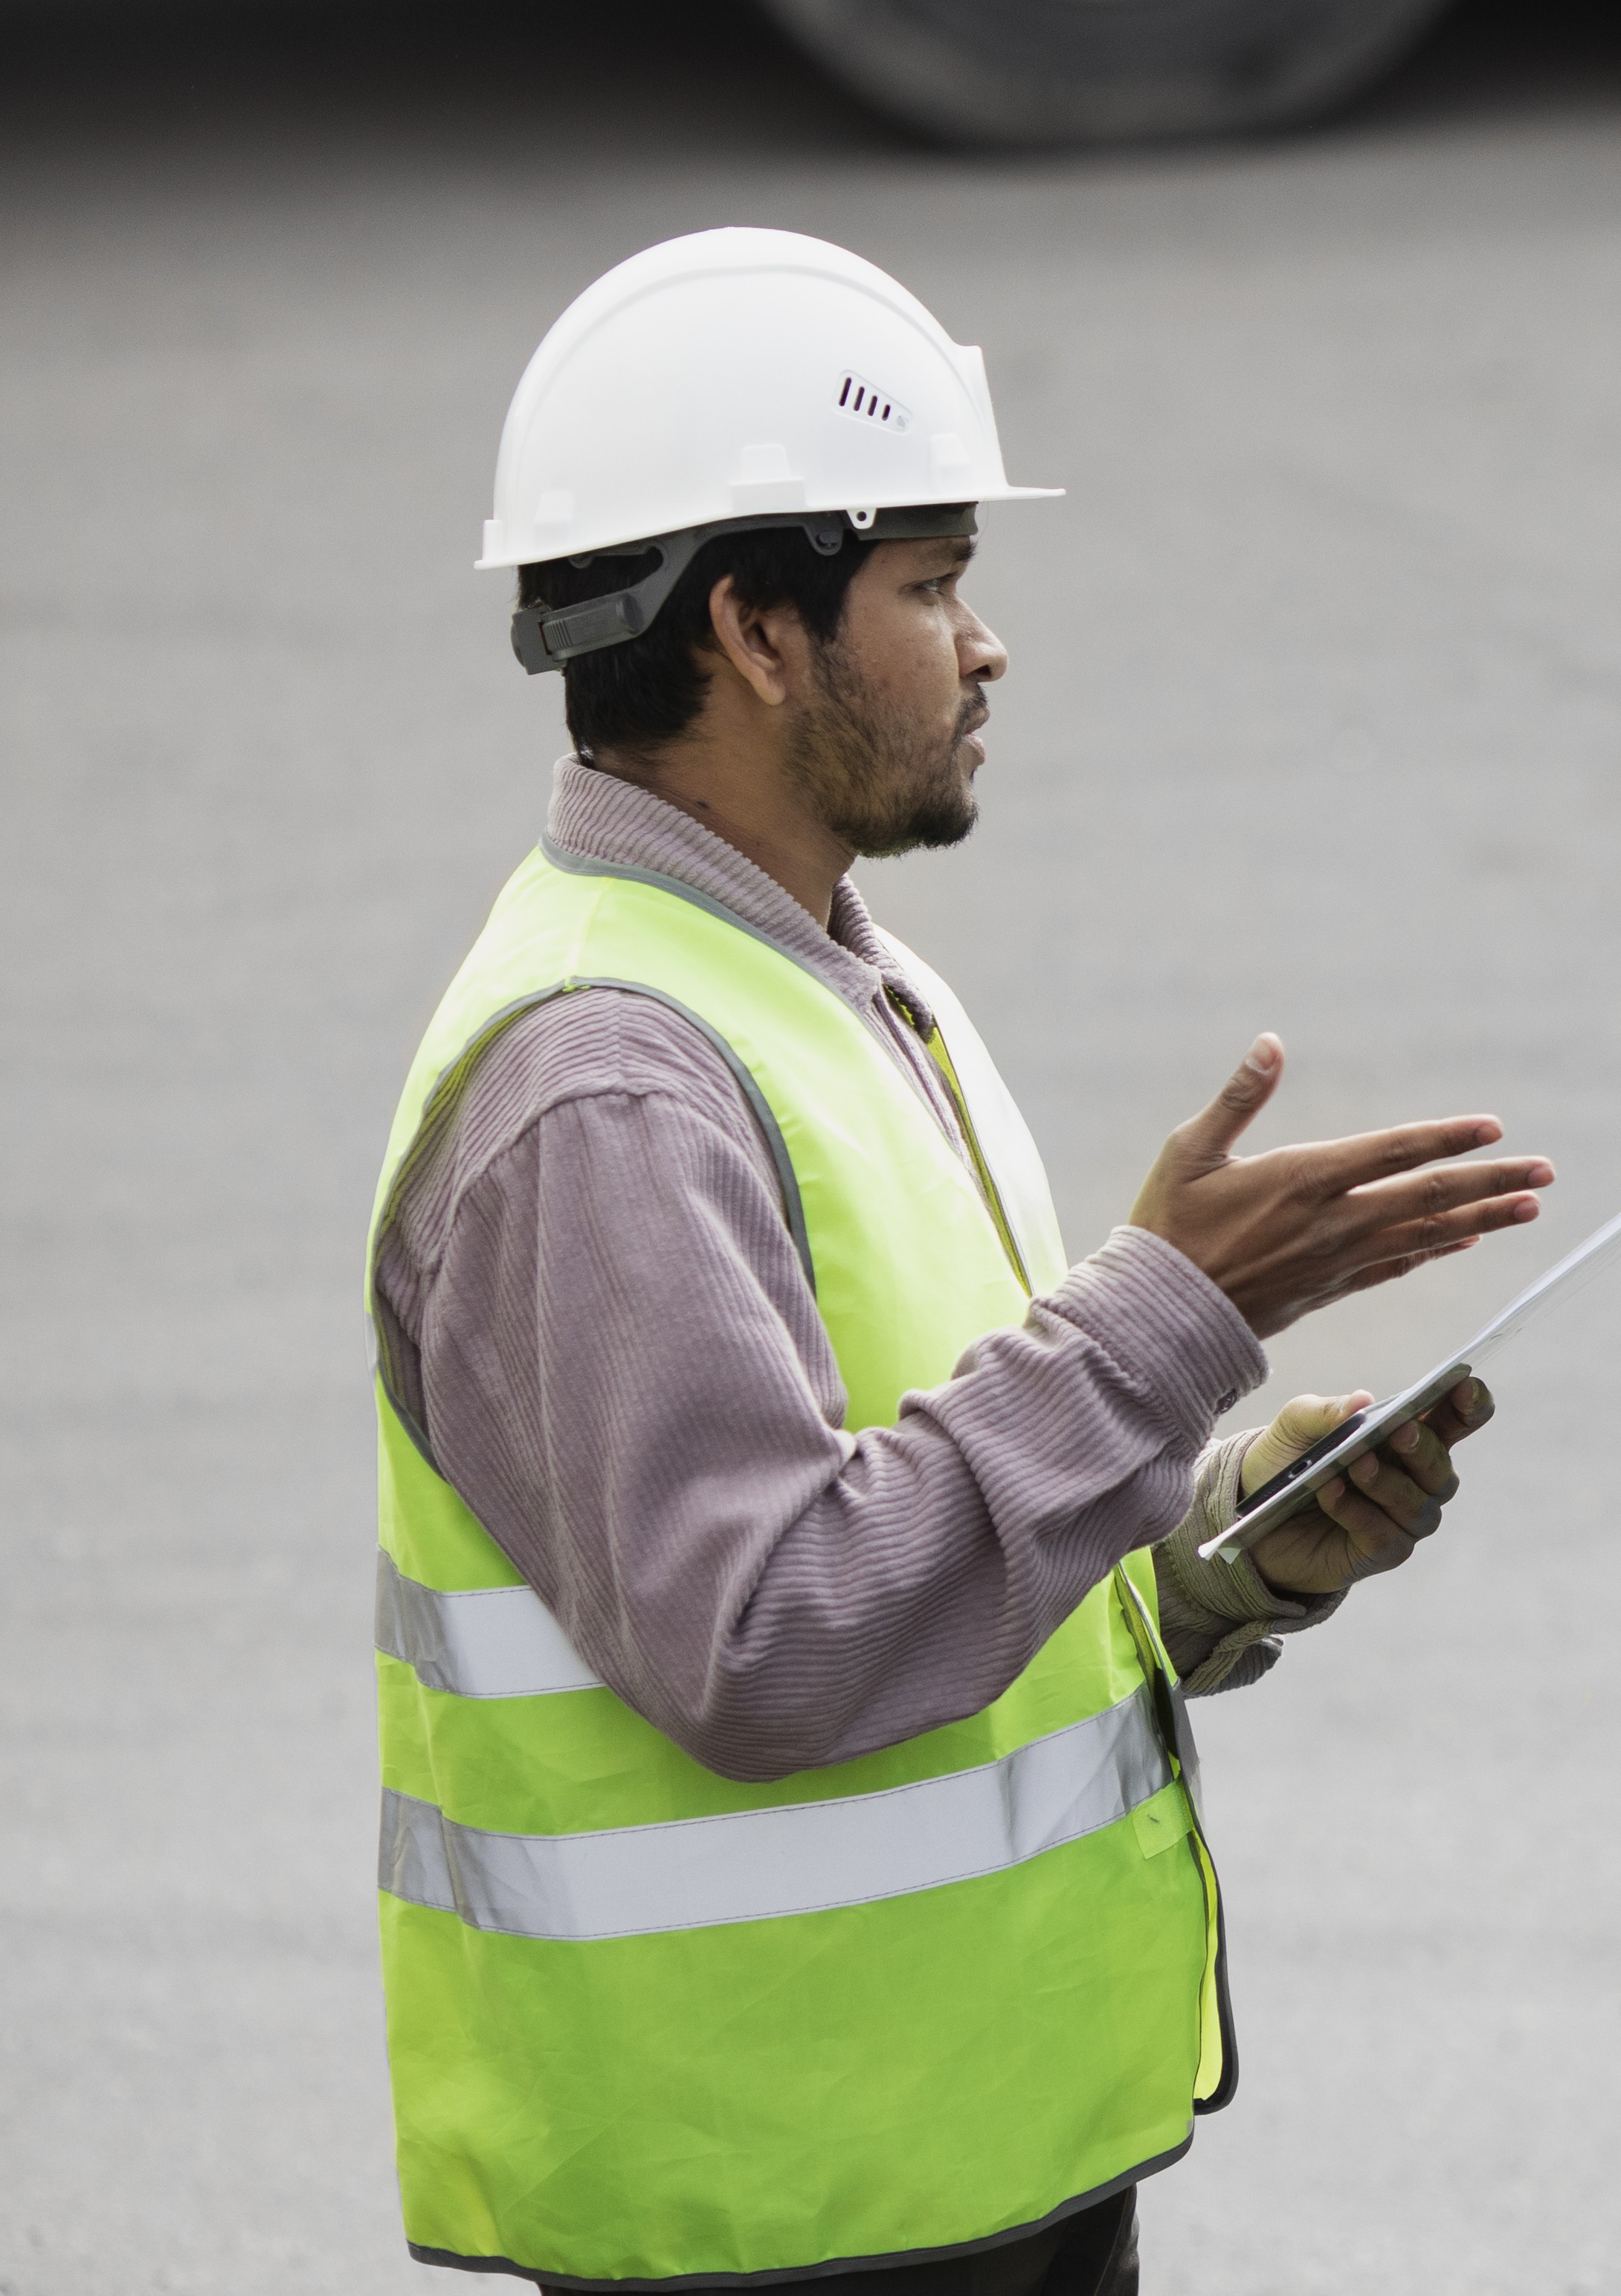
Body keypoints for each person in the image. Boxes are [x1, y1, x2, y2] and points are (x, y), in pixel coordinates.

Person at [368, 229, 1552, 2294]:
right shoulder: (608, 1089)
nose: (986, 647)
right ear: (755, 630)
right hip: (777, 2208)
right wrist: (1169, 1317)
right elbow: (769, 1640)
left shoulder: (819, 977)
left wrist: (1209, 1552)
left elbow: (905, 1528)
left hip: (946, 2165)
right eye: (928, 586)